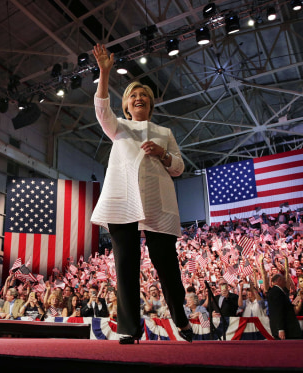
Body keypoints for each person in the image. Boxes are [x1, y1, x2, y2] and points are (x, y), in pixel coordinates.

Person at [89, 43, 193, 344]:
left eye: (144, 96)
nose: (139, 98)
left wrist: (163, 154)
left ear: (151, 105)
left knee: (167, 264)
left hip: (157, 203)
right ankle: (129, 329)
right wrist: (104, 73)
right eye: (133, 95)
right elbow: (100, 108)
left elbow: (179, 168)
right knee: (126, 265)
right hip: (123, 202)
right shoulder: (117, 126)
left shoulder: (165, 133)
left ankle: (181, 319)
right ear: (126, 105)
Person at [267, 273, 301, 340]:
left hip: (286, 328)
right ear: (279, 280)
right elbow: (278, 311)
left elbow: (287, 307)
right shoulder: (276, 292)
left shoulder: (278, 291)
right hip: (285, 329)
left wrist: (298, 298)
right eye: (284, 279)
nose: (285, 282)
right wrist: (281, 329)